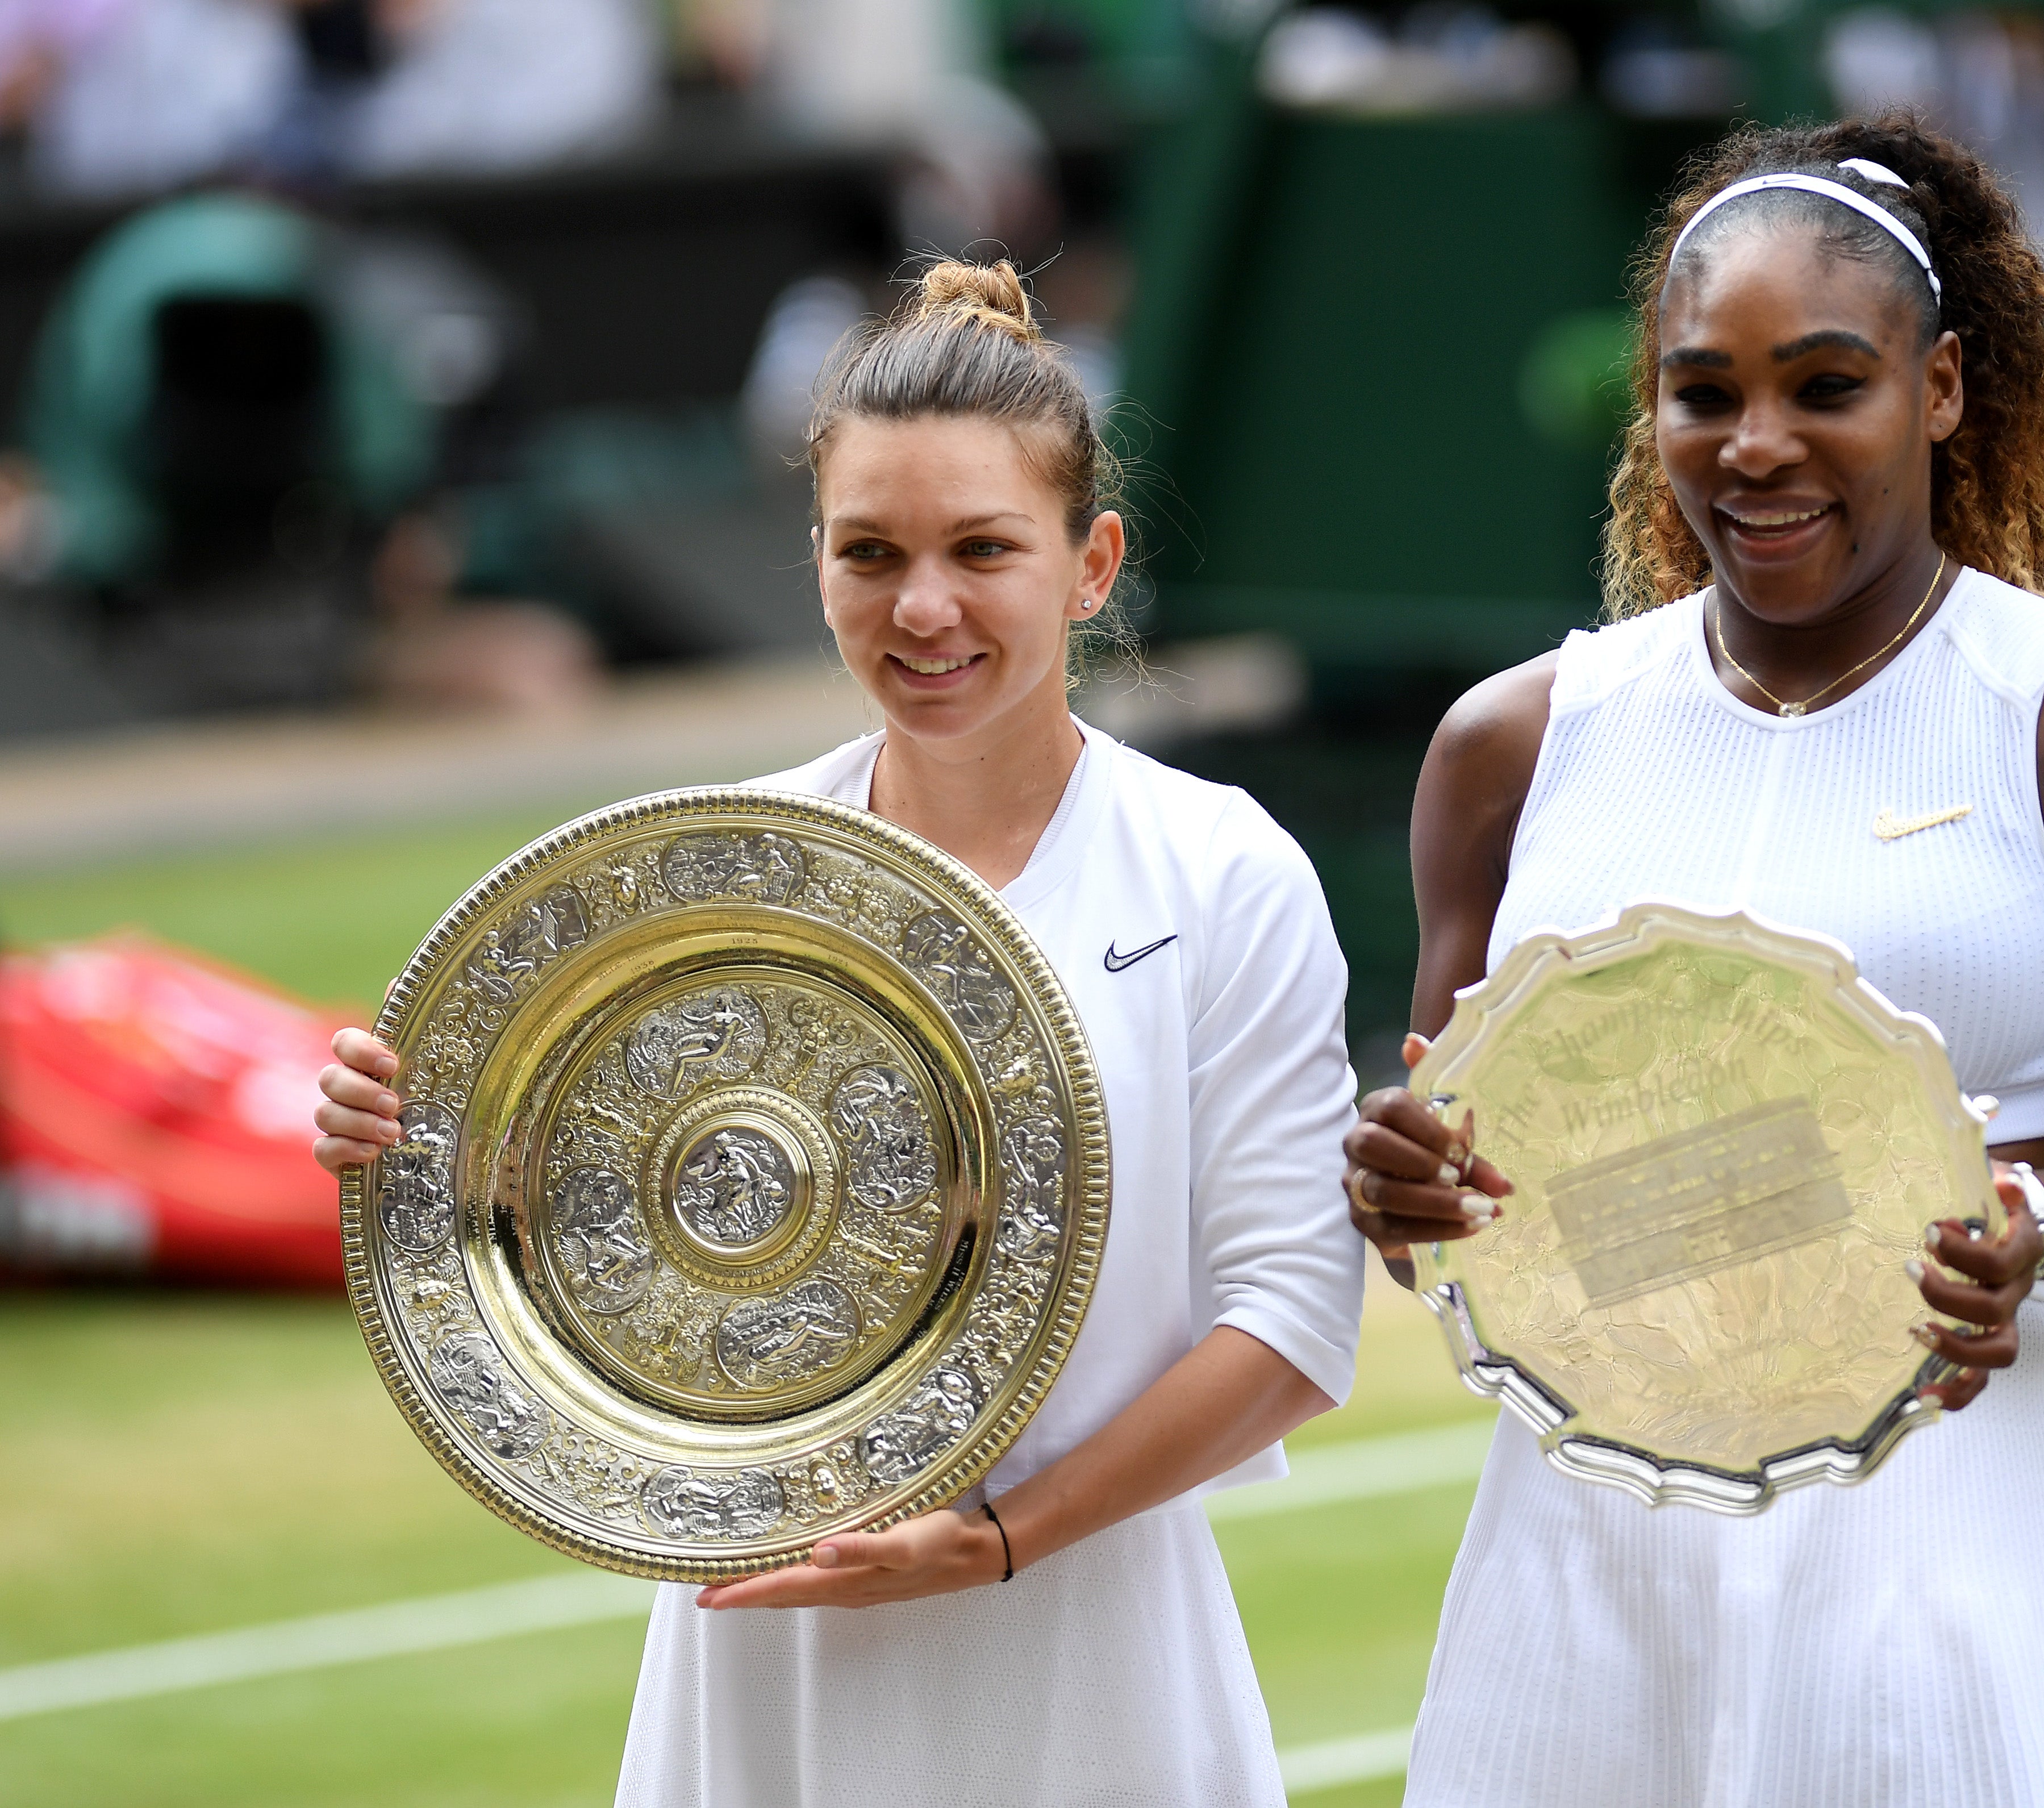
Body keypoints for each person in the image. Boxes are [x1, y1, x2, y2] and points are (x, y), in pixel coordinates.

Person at [1340, 114, 2044, 1806]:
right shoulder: (1514, 745)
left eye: (1826, 387)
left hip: (1945, 1569)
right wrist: (1402, 1187)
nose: (1756, 446)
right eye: (1703, 392)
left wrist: (2036, 1222)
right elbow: (1475, 1200)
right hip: (1579, 1586)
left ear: (1942, 389)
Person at [314, 259, 1369, 1807]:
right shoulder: (701, 879)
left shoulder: (1221, 872)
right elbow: (575, 1224)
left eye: (982, 550)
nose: (922, 607)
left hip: (1090, 1643)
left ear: (1092, 566)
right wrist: (412, 1130)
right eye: (870, 552)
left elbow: (1294, 1319)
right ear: (813, 561)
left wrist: (1006, 1541)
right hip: (762, 1650)